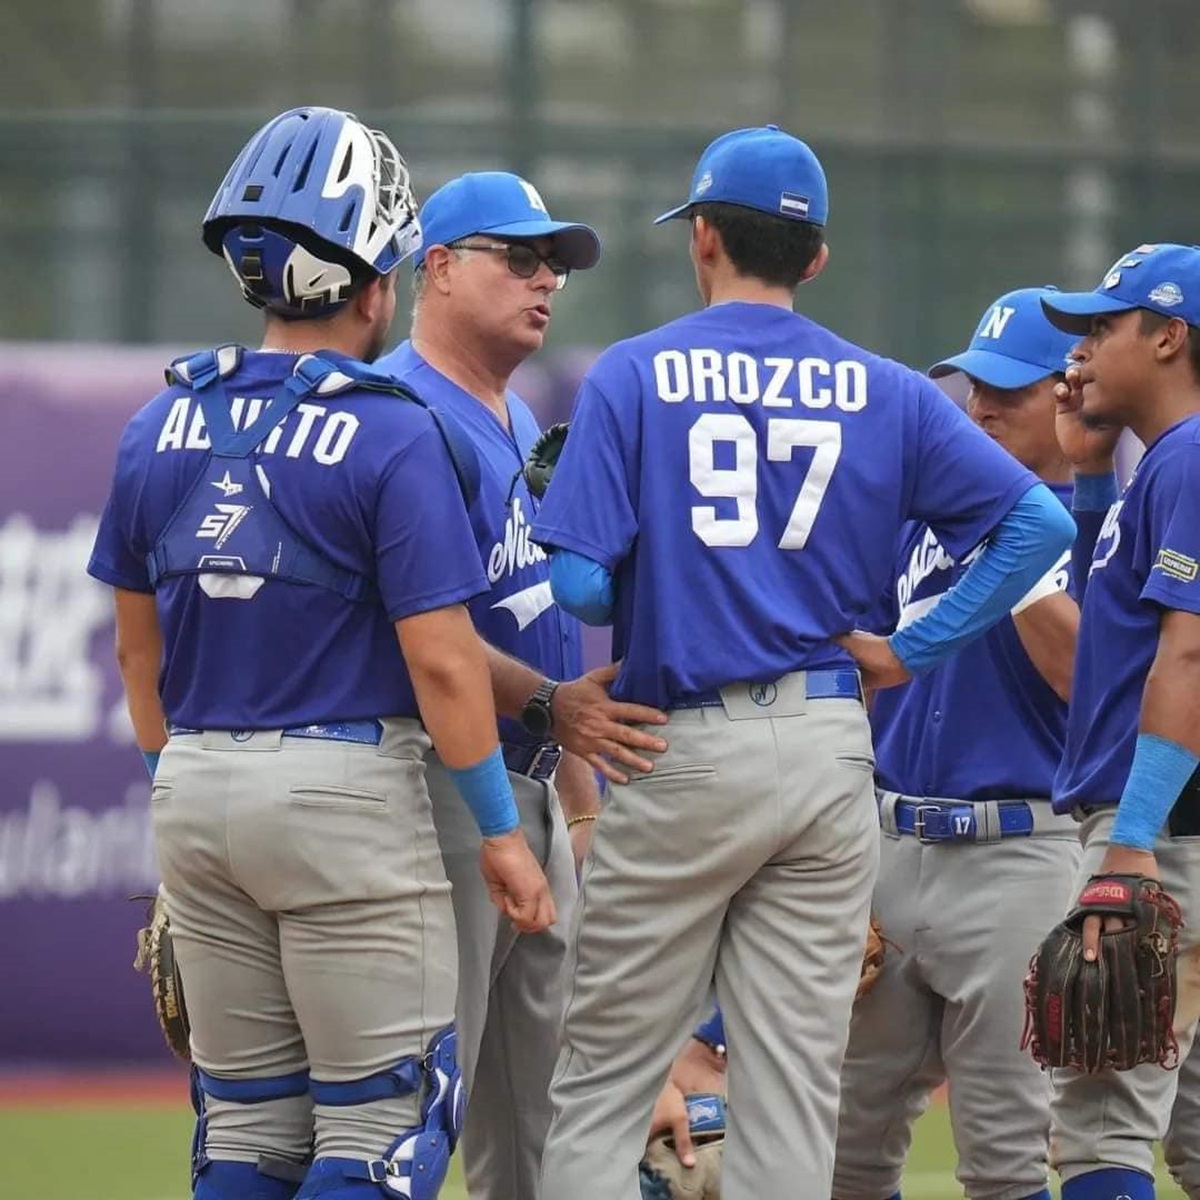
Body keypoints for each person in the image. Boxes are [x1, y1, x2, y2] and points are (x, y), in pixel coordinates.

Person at [528, 123, 1076, 1198]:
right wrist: (910, 649)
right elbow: (1040, 529)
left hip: (678, 741)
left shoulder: (635, 374)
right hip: (830, 752)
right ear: (815, 256)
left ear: (701, 240)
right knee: (792, 1094)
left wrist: (651, 552)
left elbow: (582, 590)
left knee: (602, 1082)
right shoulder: (889, 388)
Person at [86, 106, 556, 1200]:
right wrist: (502, 834)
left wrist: (176, 790)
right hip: (345, 796)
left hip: (195, 787)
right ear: (377, 283)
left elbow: (133, 657)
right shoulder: (393, 427)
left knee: (246, 1140)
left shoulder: (157, 423)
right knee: (382, 1135)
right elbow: (444, 664)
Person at [376, 170, 650, 1200]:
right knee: (418, 1118)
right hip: (443, 794)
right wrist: (547, 708)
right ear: (435, 267)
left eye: (558, 266)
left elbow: (535, 614)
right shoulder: (402, 409)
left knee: (547, 1137)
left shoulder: (512, 410)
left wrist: (578, 801)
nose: (546, 281)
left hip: (532, 792)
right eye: (519, 257)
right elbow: (423, 636)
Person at [831, 286, 1084, 1200]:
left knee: (1005, 1164)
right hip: (889, 850)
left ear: (1074, 393)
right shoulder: (922, 522)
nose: (981, 406)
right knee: (839, 1157)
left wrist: (1013, 557)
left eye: (1011, 390)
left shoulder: (1101, 525)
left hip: (1020, 861)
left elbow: (1090, 689)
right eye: (975, 385)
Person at [1038, 243, 1200, 1200]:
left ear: (1170, 336)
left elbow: (1188, 653)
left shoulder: (1189, 459)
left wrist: (1131, 841)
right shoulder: (1161, 467)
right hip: (1170, 819)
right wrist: (1092, 479)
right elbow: (1122, 621)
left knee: (1101, 1129)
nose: (1081, 352)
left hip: (1158, 828)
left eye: (1103, 327)